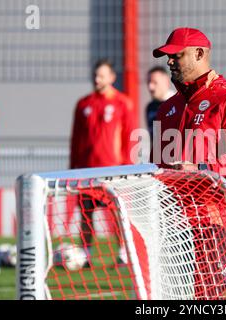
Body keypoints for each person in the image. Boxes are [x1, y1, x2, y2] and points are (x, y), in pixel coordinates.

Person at [151, 27, 226, 297]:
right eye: (167, 56)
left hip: (210, 221)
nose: (170, 61)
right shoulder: (166, 109)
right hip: (170, 222)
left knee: (206, 296)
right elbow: (155, 165)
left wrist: (200, 170)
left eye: (177, 55)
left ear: (199, 54)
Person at [70, 59, 134, 267]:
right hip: (86, 171)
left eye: (102, 75)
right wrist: (73, 168)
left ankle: (124, 252)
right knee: (86, 214)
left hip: (112, 170)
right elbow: (76, 139)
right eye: (96, 75)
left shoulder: (122, 103)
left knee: (116, 213)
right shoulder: (83, 104)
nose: (97, 79)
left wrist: (126, 167)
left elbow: (129, 137)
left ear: (112, 78)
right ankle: (86, 255)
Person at [145, 66, 174, 143]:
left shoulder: (177, 104)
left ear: (166, 81)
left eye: (155, 82)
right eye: (148, 82)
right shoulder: (150, 107)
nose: (150, 87)